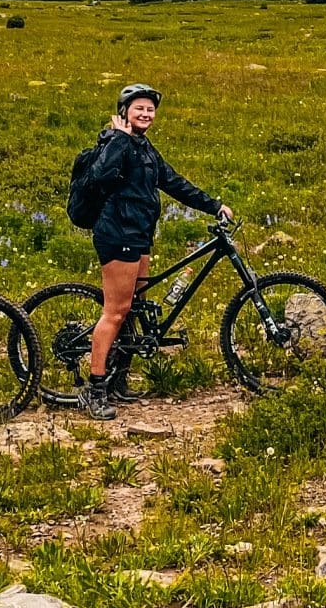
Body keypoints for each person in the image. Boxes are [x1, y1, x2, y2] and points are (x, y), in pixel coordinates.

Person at [75, 83, 229, 419]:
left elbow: (173, 182)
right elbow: (101, 177)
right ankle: (95, 389)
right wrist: (118, 139)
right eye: (139, 108)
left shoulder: (144, 147)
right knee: (116, 311)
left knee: (134, 307)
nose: (146, 114)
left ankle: (117, 380)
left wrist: (213, 205)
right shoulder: (115, 142)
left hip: (139, 234)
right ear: (124, 112)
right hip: (117, 234)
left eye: (150, 109)